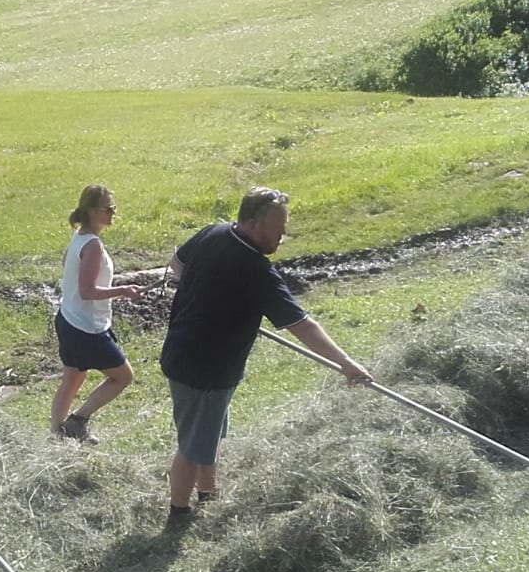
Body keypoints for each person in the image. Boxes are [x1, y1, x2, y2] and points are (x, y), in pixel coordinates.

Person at [158, 187, 372, 522]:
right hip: (205, 368)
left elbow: (177, 265)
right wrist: (345, 363)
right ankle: (179, 514)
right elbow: (302, 325)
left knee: (207, 434)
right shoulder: (256, 271)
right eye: (278, 228)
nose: (283, 235)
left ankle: (208, 494)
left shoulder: (212, 233)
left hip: (185, 354)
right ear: (255, 223)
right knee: (192, 445)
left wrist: (211, 296)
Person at [52, 184, 144, 444]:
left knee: (72, 379)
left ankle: (55, 435)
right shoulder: (92, 245)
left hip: (68, 320)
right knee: (123, 376)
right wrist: (123, 290)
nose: (114, 213)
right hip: (86, 328)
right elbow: (87, 291)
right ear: (92, 211)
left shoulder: (79, 237)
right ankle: (77, 421)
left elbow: (70, 268)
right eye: (109, 209)